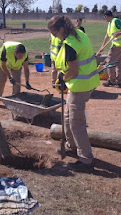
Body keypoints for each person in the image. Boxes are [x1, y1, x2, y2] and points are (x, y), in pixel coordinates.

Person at [48, 15, 100, 172]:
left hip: (80, 85)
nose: (54, 37)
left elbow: (73, 69)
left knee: (76, 122)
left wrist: (63, 78)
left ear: (62, 29)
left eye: (55, 33)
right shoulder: (78, 34)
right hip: (83, 83)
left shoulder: (71, 44)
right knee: (67, 116)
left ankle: (86, 159)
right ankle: (71, 146)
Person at [0, 41, 32, 107]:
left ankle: (15, 100)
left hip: (16, 66)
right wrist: (10, 77)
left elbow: (26, 68)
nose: (21, 58)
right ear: (15, 52)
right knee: (1, 80)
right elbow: (3, 65)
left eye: (22, 56)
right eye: (19, 56)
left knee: (17, 82)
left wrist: (27, 82)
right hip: (4, 64)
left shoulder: (25, 54)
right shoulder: (6, 50)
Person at [96, 11, 121, 88]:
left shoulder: (115, 21)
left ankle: (112, 80)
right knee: (118, 63)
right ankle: (119, 82)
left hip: (117, 46)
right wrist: (102, 46)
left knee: (109, 62)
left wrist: (118, 33)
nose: (105, 19)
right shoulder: (110, 24)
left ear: (106, 16)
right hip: (119, 45)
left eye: (104, 17)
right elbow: (107, 35)